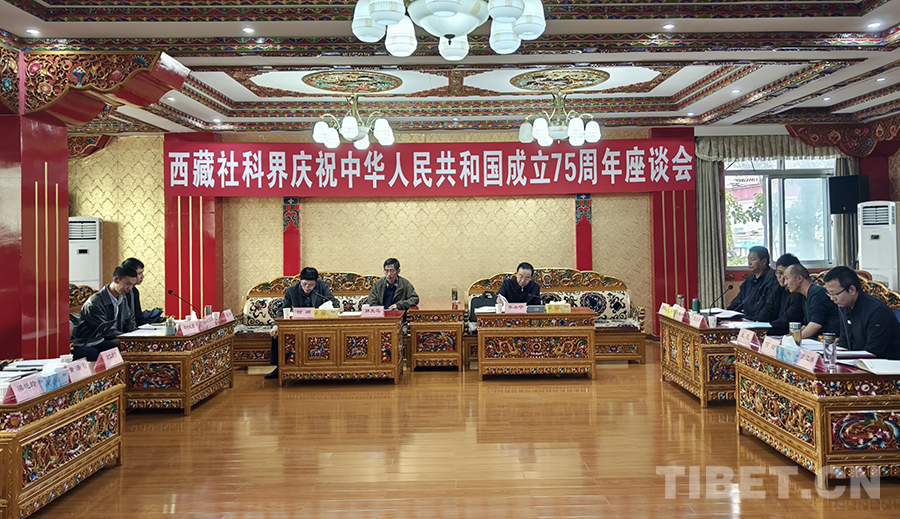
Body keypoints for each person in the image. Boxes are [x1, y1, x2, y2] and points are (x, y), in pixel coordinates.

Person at [266, 267, 340, 379]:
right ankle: (279, 367)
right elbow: (283, 309)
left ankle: (328, 366)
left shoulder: (321, 286)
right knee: (277, 333)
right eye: (304, 284)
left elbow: (332, 302)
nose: (307, 288)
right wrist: (276, 325)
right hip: (298, 324)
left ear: (316, 282)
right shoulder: (291, 290)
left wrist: (324, 309)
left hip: (317, 323)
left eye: (311, 285)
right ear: (300, 280)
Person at [824, 266, 900, 360]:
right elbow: (844, 342)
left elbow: (873, 352)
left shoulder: (877, 311)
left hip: (883, 364)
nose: (832, 298)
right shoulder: (844, 306)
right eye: (829, 294)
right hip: (858, 361)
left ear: (852, 290)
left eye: (835, 294)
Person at [72, 265, 139, 361]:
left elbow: (130, 321)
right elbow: (106, 330)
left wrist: (136, 335)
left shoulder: (123, 298)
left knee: (133, 346)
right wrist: (127, 338)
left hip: (106, 339)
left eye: (132, 285)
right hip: (88, 341)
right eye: (128, 284)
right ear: (116, 280)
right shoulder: (95, 302)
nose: (130, 288)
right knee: (112, 347)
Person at [783, 263, 840, 339]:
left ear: (799, 278)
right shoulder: (805, 295)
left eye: (787, 278)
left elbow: (815, 324)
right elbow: (806, 325)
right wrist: (788, 337)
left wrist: (794, 339)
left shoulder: (816, 292)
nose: (785, 283)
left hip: (828, 339)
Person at [757, 253, 805, 336]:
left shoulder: (798, 292)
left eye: (786, 275)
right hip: (773, 329)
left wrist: (765, 329)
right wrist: (757, 324)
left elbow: (788, 320)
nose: (781, 278)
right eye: (779, 273)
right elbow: (768, 308)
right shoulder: (777, 286)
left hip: (787, 332)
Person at [727, 246, 777, 320]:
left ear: (764, 261)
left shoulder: (772, 278)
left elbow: (768, 307)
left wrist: (756, 321)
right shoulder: (750, 280)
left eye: (753, 259)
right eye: (748, 260)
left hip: (762, 322)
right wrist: (727, 313)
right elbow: (738, 301)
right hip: (748, 320)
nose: (749, 263)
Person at [121, 257, 147, 326]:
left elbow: (139, 317)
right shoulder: (121, 292)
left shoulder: (135, 291)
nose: (142, 276)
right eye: (140, 273)